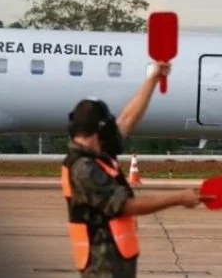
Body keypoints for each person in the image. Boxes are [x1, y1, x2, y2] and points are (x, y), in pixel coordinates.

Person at [60, 61, 214, 278]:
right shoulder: (83, 169)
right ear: (100, 130)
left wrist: (152, 79)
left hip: (115, 265)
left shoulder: (98, 152)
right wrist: (179, 197)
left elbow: (128, 119)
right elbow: (128, 206)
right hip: (101, 269)